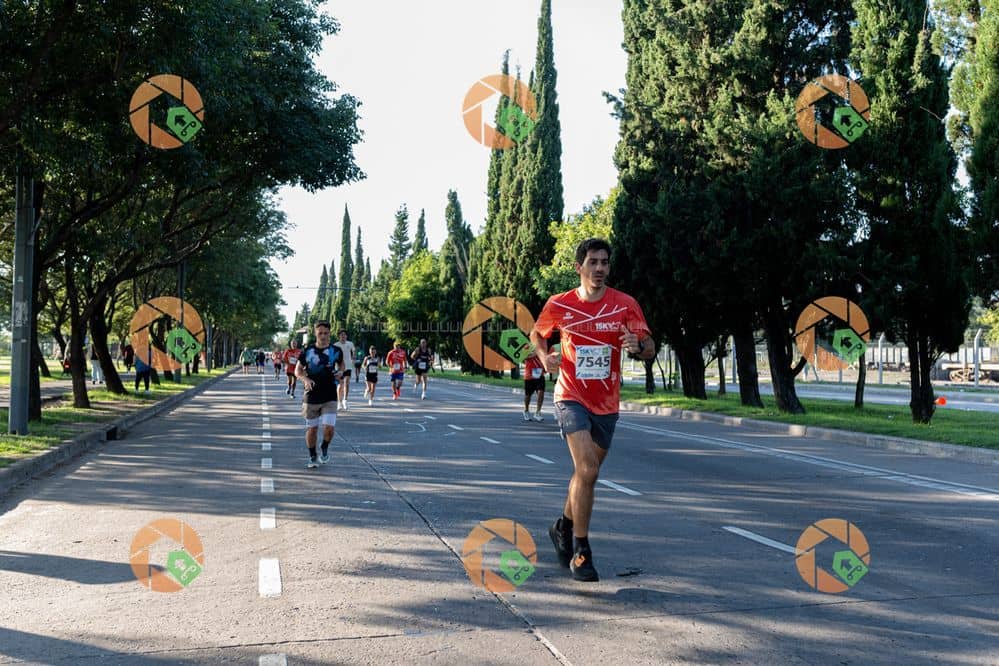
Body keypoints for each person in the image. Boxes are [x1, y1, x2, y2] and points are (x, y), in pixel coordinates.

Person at [530, 238, 655, 583]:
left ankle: (562, 526)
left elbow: (649, 345)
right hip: (570, 395)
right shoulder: (560, 304)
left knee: (585, 475)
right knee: (587, 468)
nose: (600, 268)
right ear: (579, 267)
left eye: (604, 262)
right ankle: (581, 550)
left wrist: (638, 345)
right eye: (593, 262)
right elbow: (537, 333)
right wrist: (544, 356)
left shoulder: (625, 305)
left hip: (606, 402)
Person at [295, 321, 344, 469]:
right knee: (312, 429)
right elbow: (298, 370)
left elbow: (341, 364)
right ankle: (312, 455)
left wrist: (340, 372)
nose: (323, 336)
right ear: (315, 333)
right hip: (312, 395)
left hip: (330, 395)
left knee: (329, 428)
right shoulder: (307, 351)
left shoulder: (336, 350)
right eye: (320, 333)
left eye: (326, 333)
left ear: (330, 333)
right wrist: (305, 379)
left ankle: (324, 446)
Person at [334, 330, 356, 410]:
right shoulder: (336, 345)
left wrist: (353, 357)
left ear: (346, 336)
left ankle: (345, 401)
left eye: (344, 335)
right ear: (339, 336)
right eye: (341, 335)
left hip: (348, 366)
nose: (343, 336)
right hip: (339, 367)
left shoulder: (350, 344)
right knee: (340, 385)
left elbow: (354, 351)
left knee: (347, 383)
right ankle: (339, 402)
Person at [523, 350, 546, 422]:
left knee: (541, 392)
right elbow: (523, 357)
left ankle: (538, 412)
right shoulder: (526, 346)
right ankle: (526, 410)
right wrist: (536, 353)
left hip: (539, 372)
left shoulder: (541, 346)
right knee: (528, 395)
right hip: (529, 374)